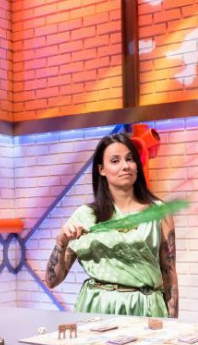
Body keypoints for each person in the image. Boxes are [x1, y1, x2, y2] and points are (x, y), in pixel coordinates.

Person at [45, 133, 179, 318]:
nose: (125, 166)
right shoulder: (86, 216)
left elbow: (169, 274)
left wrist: (173, 324)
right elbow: (52, 281)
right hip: (98, 308)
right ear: (101, 170)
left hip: (146, 309)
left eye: (130, 159)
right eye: (115, 161)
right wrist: (61, 243)